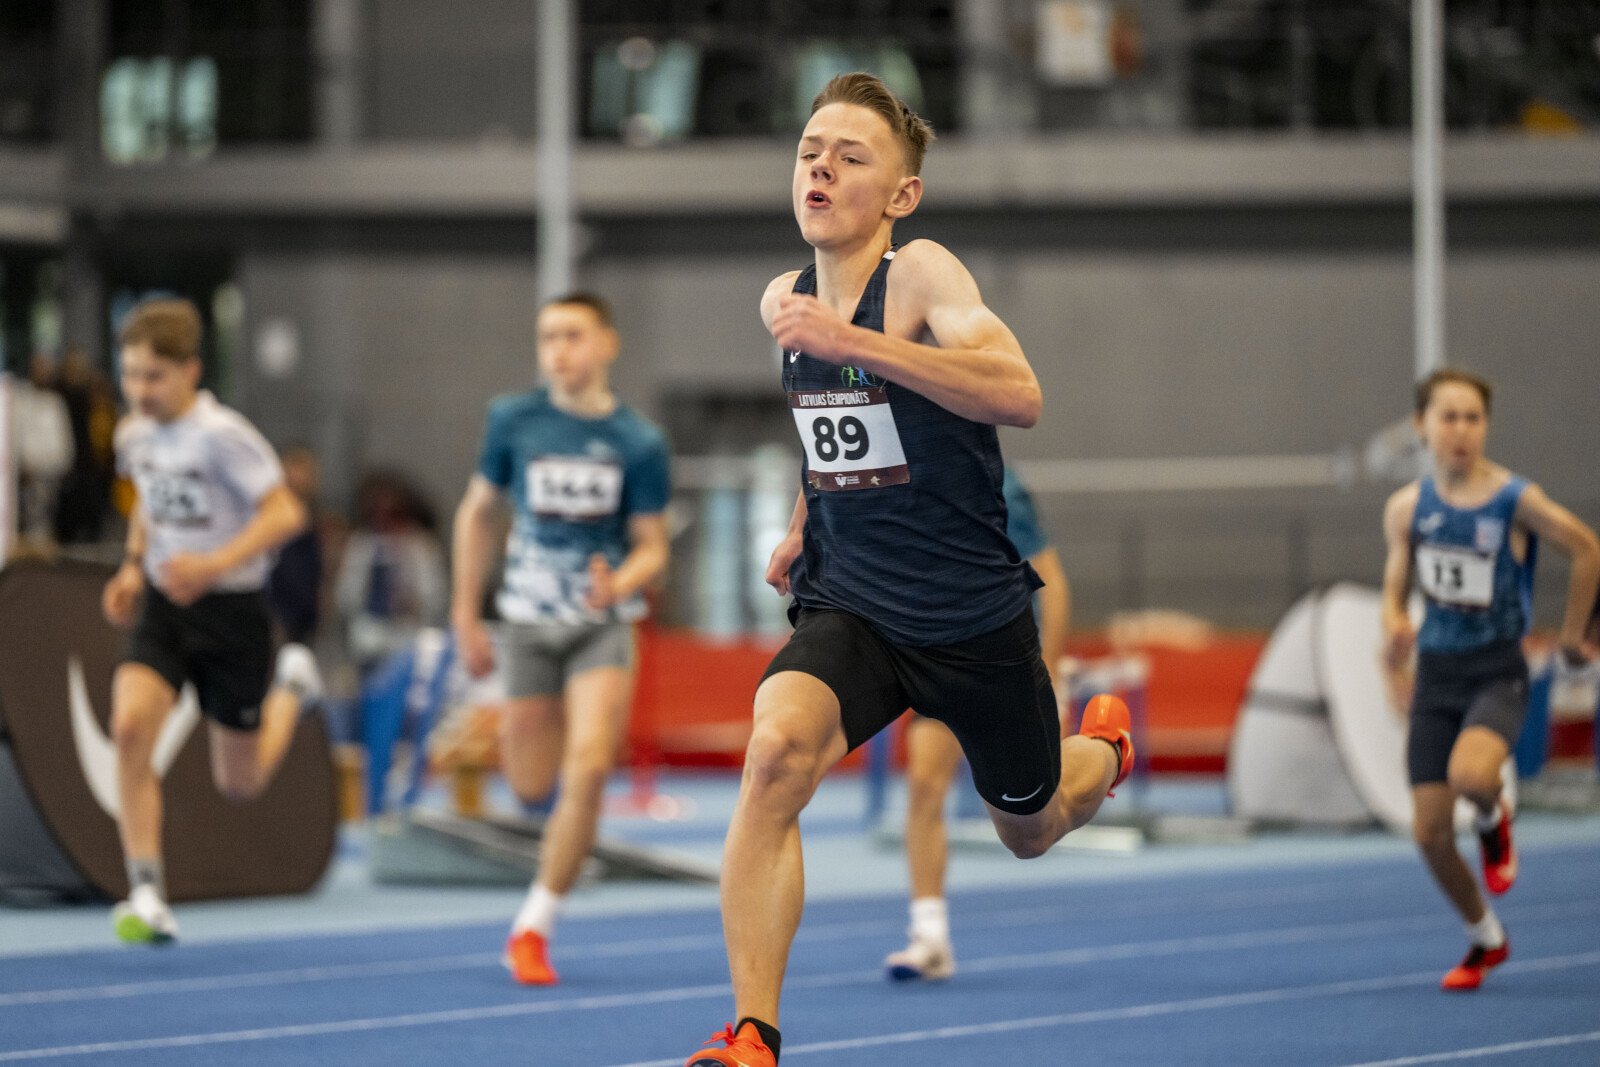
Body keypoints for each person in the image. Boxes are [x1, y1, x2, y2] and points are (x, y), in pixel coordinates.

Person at [684, 73, 1132, 1067]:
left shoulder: (921, 274)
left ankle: (1102, 750)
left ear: (901, 195)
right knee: (774, 756)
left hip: (970, 618)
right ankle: (753, 1034)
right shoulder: (786, 299)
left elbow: (1018, 393)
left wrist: (856, 341)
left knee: (1031, 826)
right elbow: (837, 433)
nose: (820, 168)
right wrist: (802, 519)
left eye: (850, 156)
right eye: (809, 151)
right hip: (855, 604)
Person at [452, 291, 670, 987]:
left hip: (599, 626)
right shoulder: (513, 419)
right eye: (548, 337)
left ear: (607, 344)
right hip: (525, 624)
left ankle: (534, 925)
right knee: (529, 784)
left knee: (590, 766)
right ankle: (560, 842)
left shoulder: (639, 441)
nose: (558, 350)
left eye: (573, 335)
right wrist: (464, 613)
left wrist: (620, 581)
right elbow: (477, 514)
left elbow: (653, 545)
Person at [100, 298, 323, 945]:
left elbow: (286, 514)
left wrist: (213, 563)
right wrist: (133, 565)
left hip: (232, 612)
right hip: (166, 606)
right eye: (130, 374)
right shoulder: (133, 434)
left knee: (240, 783)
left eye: (154, 376)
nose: (140, 390)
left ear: (191, 371)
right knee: (129, 726)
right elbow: (147, 500)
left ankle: (292, 688)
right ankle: (147, 892)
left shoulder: (224, 436)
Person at [1380, 367, 1599, 992]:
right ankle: (1486, 937)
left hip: (1496, 673)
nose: (1461, 430)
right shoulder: (1407, 508)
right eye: (1448, 417)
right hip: (1436, 676)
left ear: (1486, 427)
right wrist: (1394, 626)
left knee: (1471, 777)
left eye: (1473, 418)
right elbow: (1395, 588)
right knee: (1428, 833)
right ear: (1422, 426)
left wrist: (1574, 635)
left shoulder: (1514, 501)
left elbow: (1588, 548)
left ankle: (1490, 815)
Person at [884, 464, 1070, 982]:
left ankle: (1105, 752)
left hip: (1005, 662)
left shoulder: (1000, 482)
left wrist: (1051, 675)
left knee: (1034, 825)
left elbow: (1051, 581)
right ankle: (929, 935)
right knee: (924, 784)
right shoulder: (906, 473)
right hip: (939, 653)